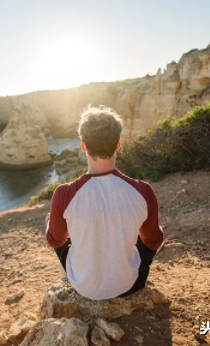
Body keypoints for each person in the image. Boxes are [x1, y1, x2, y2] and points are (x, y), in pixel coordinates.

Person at [45, 106, 163, 299]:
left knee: (54, 224)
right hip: (131, 284)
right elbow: (154, 241)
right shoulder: (143, 191)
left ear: (83, 146)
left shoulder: (64, 194)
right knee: (147, 230)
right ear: (118, 144)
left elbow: (55, 240)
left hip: (84, 287)